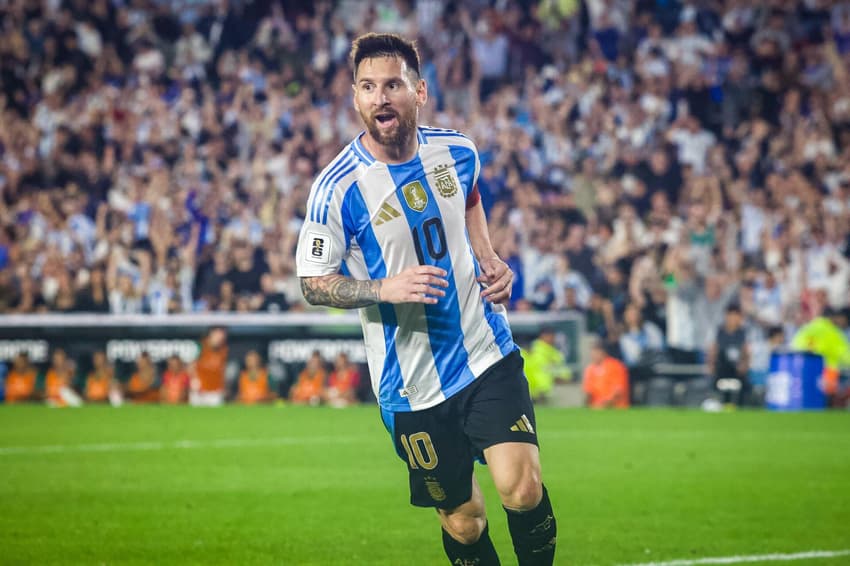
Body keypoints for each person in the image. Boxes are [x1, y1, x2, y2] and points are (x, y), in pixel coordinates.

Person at [295, 34, 556, 566]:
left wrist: (488, 257)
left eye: (392, 85)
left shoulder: (456, 151)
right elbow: (312, 281)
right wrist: (381, 289)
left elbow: (472, 197)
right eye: (368, 87)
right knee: (465, 522)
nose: (380, 97)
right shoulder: (337, 189)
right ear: (355, 99)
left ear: (419, 91)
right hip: (410, 383)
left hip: (484, 351)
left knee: (522, 488)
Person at [708, 304, 750, 406]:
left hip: (737, 371)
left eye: (736, 316)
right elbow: (713, 351)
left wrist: (744, 366)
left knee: (745, 386)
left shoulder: (742, 333)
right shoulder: (719, 332)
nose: (733, 319)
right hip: (722, 370)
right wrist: (711, 365)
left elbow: (746, 353)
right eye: (731, 315)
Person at [521, 328, 572, 403]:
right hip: (532, 392)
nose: (551, 338)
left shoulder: (554, 353)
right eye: (549, 336)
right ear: (542, 336)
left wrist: (562, 377)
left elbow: (564, 374)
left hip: (544, 392)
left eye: (552, 336)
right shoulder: (531, 351)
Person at [582, 342, 630, 409]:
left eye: (596, 352)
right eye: (592, 353)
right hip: (595, 410)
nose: (593, 355)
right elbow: (588, 392)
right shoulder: (590, 369)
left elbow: (618, 392)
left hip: (615, 409)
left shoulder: (616, 366)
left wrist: (603, 406)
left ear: (604, 353)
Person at [189, 327, 228, 407]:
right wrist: (194, 380)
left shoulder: (224, 350)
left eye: (222, 338)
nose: (219, 340)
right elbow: (191, 366)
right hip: (199, 391)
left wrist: (224, 387)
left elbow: (223, 370)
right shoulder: (200, 347)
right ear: (211, 335)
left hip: (215, 392)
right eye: (218, 336)